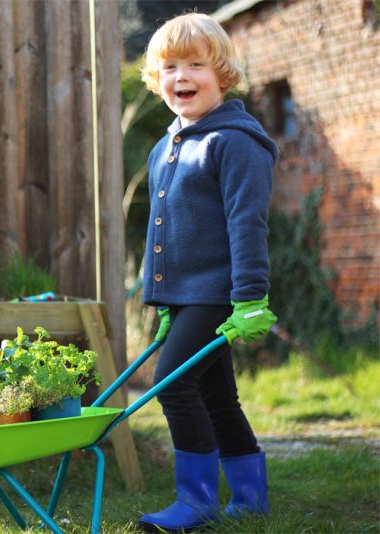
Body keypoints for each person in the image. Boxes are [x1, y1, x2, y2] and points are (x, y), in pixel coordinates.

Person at [137, 12, 279, 532]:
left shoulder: (235, 142)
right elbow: (164, 231)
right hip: (187, 296)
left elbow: (247, 224)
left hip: (221, 294)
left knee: (172, 386)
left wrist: (250, 297)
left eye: (195, 64)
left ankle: (195, 502)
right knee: (217, 394)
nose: (181, 77)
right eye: (169, 66)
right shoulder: (166, 146)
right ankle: (250, 499)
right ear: (157, 79)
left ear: (222, 73)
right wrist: (166, 302)